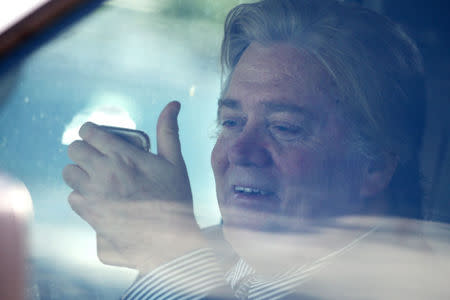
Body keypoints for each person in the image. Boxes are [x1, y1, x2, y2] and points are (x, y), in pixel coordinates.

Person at [63, 0, 446, 299]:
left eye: (284, 128)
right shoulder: (217, 253)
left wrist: (166, 252)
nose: (241, 151)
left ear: (375, 166)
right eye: (231, 122)